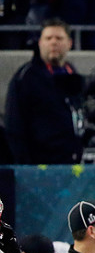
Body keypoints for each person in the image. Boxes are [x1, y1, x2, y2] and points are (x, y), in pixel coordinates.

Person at [4, 19, 84, 165]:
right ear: (40, 43)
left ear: (69, 43)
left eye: (59, 38)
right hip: (39, 166)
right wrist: (25, 166)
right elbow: (14, 125)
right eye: (48, 38)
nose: (53, 43)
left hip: (71, 163)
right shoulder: (25, 78)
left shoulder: (72, 73)